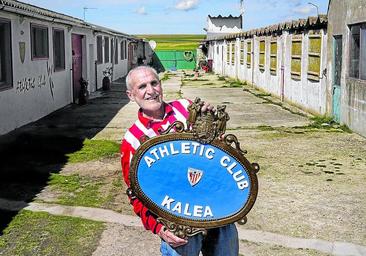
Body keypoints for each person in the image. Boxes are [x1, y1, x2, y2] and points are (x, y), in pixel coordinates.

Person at [120, 66, 239, 256]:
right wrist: (159, 229)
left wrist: (210, 120)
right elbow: (135, 194)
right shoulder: (133, 139)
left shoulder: (186, 108)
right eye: (142, 86)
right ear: (130, 95)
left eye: (154, 83)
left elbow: (216, 150)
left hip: (216, 208)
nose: (150, 91)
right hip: (178, 224)